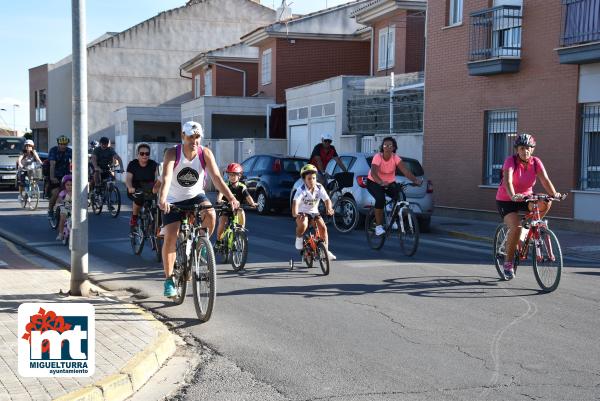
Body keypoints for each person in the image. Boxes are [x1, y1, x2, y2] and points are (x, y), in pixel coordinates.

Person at [159, 121, 240, 298]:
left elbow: (217, 178)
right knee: (171, 235)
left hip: (196, 195)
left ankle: (201, 245)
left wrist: (232, 198)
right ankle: (169, 279)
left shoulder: (205, 153)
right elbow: (165, 179)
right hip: (173, 199)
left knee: (210, 214)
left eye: (197, 137)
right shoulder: (173, 153)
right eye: (190, 137)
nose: (194, 141)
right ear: (182, 136)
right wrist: (163, 199)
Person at [496, 133, 562, 280]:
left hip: (525, 198)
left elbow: (545, 180)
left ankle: (529, 229)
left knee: (546, 202)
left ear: (532, 149)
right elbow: (508, 181)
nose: (525, 151)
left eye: (528, 148)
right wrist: (513, 195)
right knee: (516, 227)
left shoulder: (536, 162)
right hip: (507, 199)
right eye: (522, 148)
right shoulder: (510, 162)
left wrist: (554, 193)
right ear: (517, 150)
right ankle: (508, 263)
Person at [366, 137, 422, 237]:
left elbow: (406, 171)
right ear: (382, 147)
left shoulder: (395, 158)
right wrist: (381, 182)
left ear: (394, 148)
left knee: (401, 197)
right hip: (374, 182)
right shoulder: (378, 157)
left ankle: (394, 219)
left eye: (390, 146)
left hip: (389, 182)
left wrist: (415, 180)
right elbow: (374, 172)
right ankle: (378, 227)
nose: (387, 147)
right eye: (385, 145)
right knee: (380, 199)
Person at [292, 164, 336, 260]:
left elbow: (327, 200)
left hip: (314, 212)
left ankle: (326, 252)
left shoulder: (319, 187)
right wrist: (296, 214)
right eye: (309, 179)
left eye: (314, 178)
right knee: (303, 225)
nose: (312, 181)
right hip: (302, 212)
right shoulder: (301, 190)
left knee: (323, 228)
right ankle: (299, 238)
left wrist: (329, 208)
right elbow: (296, 202)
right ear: (304, 180)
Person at [215, 163, 257, 249]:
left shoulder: (242, 187)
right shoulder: (225, 186)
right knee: (222, 223)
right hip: (226, 208)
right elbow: (219, 196)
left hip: (237, 209)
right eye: (230, 175)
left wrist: (252, 203)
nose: (232, 177)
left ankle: (241, 231)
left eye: (234, 175)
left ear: (239, 176)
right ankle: (218, 241)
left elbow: (248, 196)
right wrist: (220, 201)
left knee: (241, 211)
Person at [126, 143, 159, 230]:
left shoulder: (153, 164)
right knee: (139, 199)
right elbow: (128, 178)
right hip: (135, 188)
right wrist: (130, 187)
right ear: (138, 154)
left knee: (159, 204)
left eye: (147, 153)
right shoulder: (132, 164)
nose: (144, 155)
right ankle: (134, 218)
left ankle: (157, 224)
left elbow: (158, 178)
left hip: (149, 188)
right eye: (142, 153)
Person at [48, 135, 73, 218]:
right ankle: (50, 210)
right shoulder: (53, 150)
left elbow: (75, 162)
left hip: (67, 176)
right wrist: (52, 177)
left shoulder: (70, 151)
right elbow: (52, 164)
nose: (63, 146)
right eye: (61, 144)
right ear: (58, 144)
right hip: (56, 176)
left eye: (65, 144)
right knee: (56, 193)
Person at [56, 175, 73, 241]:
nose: (69, 186)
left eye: (71, 185)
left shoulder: (75, 192)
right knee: (63, 218)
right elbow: (59, 200)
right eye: (67, 185)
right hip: (65, 207)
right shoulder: (63, 193)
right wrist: (59, 203)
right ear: (64, 185)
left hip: (73, 208)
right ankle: (60, 234)